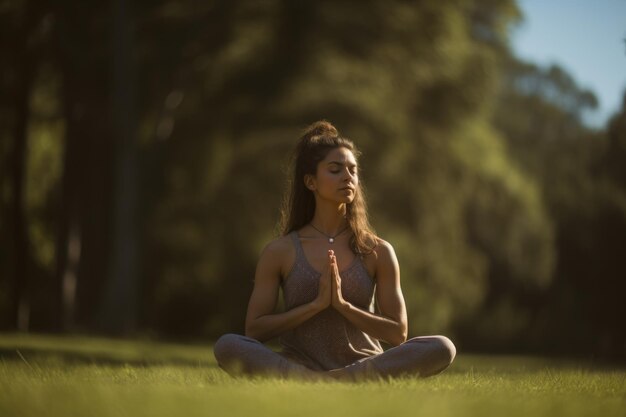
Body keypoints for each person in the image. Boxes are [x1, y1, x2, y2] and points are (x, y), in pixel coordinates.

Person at [214, 121, 456, 380]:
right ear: (311, 182)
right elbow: (255, 330)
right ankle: (317, 379)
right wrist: (316, 305)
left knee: (442, 346)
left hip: (362, 364)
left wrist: (342, 305)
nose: (347, 177)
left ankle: (330, 379)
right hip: (298, 364)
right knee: (227, 344)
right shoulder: (280, 251)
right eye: (335, 170)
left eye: (353, 170)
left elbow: (398, 333)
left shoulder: (377, 250)